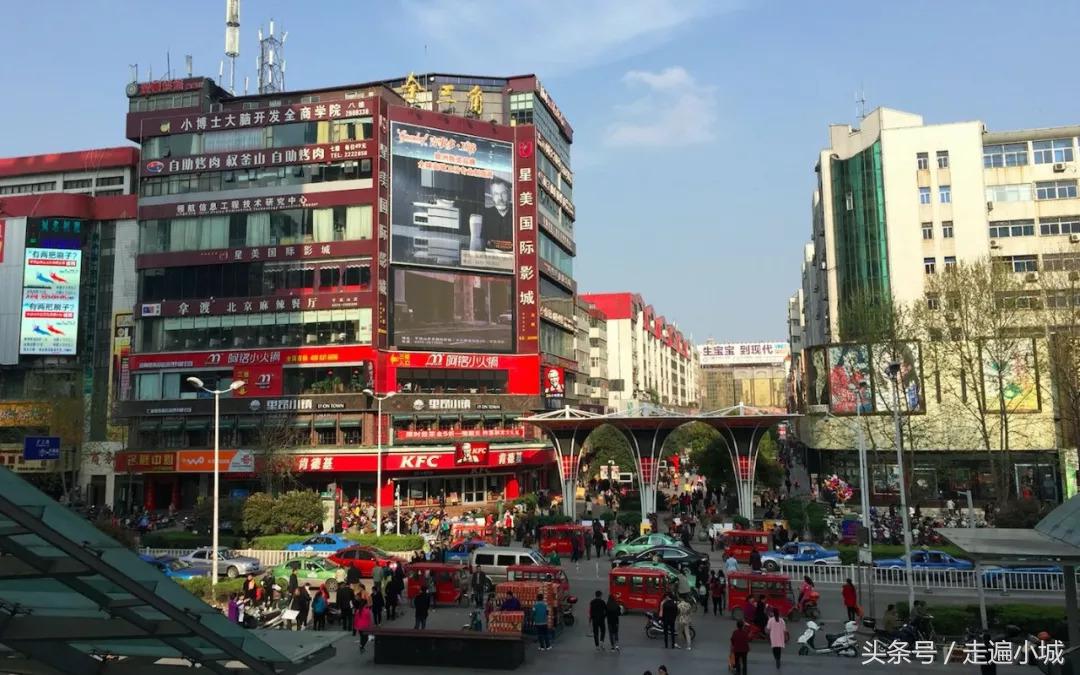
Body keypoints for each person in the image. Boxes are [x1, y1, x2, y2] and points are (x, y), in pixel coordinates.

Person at [480, 177, 513, 250]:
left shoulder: (518, 214)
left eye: (503, 193)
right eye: (496, 194)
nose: (500, 198)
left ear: (509, 194)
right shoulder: (486, 214)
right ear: (492, 196)